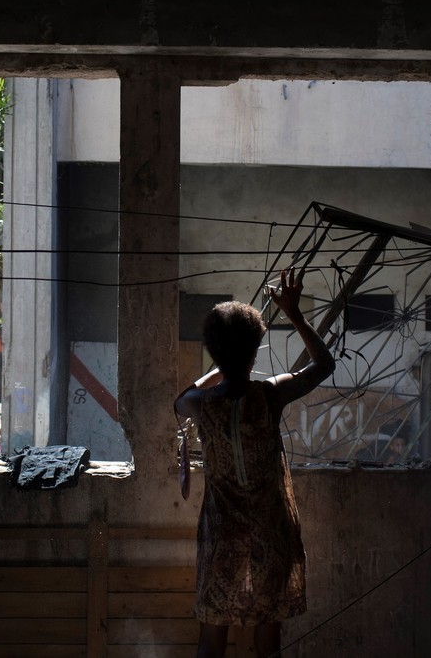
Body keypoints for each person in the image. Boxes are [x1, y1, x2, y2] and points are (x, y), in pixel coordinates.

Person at [174, 267, 336, 658]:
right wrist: (294, 314)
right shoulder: (269, 395)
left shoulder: (201, 405)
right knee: (268, 642)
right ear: (253, 353)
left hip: (221, 539)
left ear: (214, 352)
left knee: (211, 641)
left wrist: (217, 370)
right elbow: (323, 365)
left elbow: (181, 397)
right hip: (269, 536)